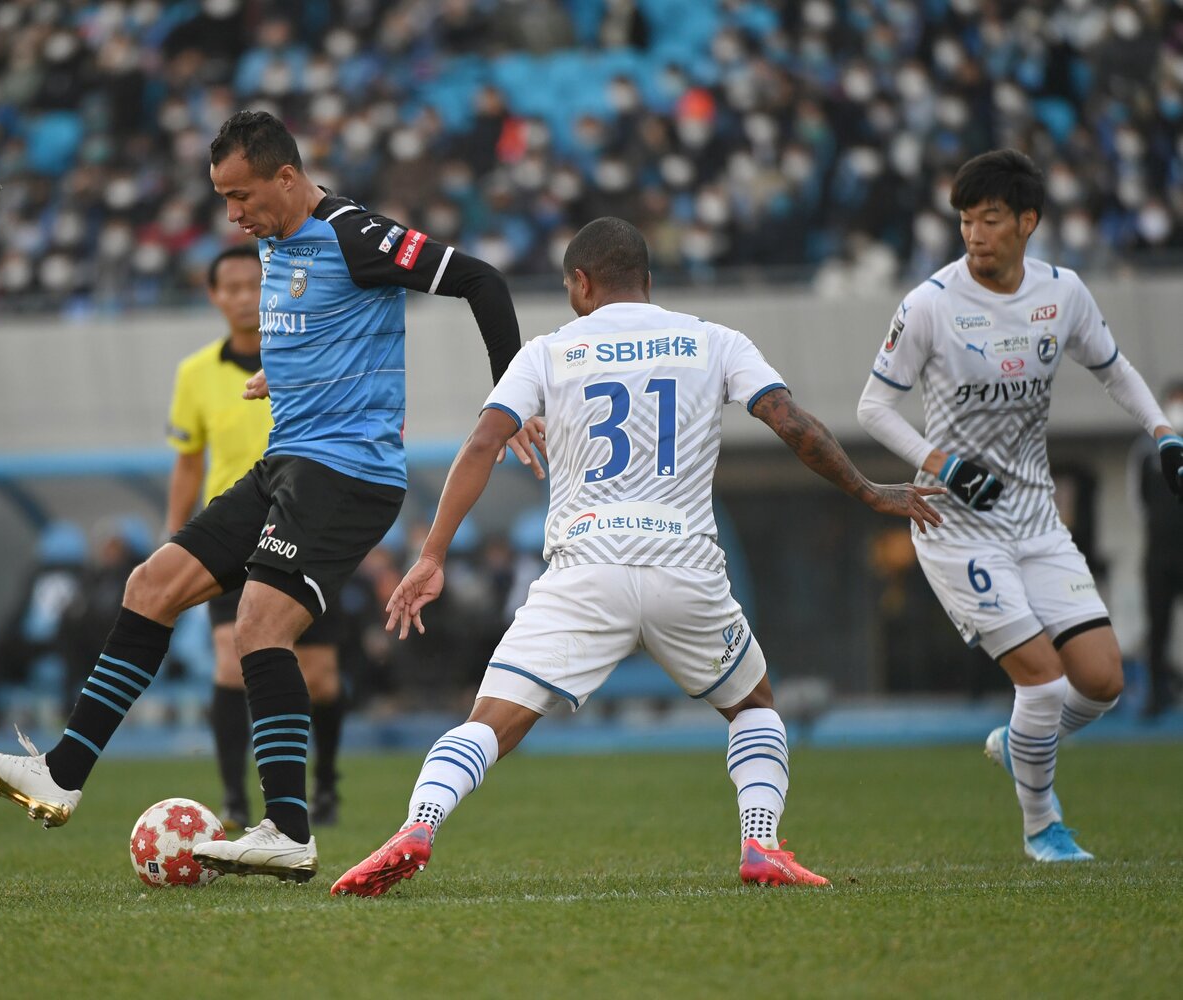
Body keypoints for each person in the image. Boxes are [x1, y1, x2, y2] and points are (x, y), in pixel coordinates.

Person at [0, 110, 541, 884]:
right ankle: (63, 771)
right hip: (287, 463)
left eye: (241, 196)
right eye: (223, 199)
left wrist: (513, 399)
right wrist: (290, 373)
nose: (233, 215)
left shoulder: (355, 234)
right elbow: (322, 324)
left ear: (287, 178)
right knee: (151, 584)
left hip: (349, 474)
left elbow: (481, 279)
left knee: (259, 627)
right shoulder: (274, 242)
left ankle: (289, 827)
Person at [331, 218, 942, 897]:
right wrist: (867, 489)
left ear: (581, 283)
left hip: (585, 571)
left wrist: (433, 554)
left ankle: (418, 824)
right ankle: (761, 842)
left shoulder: (548, 351)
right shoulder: (716, 341)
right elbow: (790, 422)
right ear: (647, 282)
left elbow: (481, 445)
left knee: (489, 723)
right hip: (686, 570)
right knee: (754, 707)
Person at [855, 149, 1183, 862]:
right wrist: (939, 463)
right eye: (966, 221)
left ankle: (1019, 743)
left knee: (1101, 682)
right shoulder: (929, 304)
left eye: (991, 219)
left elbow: (1115, 370)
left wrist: (1163, 431)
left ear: (1027, 222)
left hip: (1034, 517)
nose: (974, 234)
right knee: (1042, 678)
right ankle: (1043, 826)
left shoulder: (1062, 295)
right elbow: (873, 406)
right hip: (955, 523)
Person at [167, 245, 346, 830]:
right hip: (232, 531)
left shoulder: (306, 355)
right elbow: (188, 463)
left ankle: (323, 784)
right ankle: (235, 798)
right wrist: (177, 539)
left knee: (318, 675)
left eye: (253, 284)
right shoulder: (194, 374)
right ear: (215, 296)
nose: (244, 296)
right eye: (232, 287)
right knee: (227, 664)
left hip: (306, 526)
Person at [1132, 378, 1183, 716]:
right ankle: (1157, 693)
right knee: (1158, 626)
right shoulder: (1145, 449)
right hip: (1159, 553)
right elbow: (1137, 501)